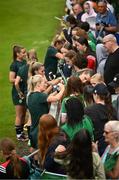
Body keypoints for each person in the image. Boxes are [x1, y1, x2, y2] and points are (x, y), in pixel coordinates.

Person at [27, 75, 65, 149]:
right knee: (44, 153)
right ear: (38, 84)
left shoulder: (31, 95)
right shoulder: (39, 96)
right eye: (44, 83)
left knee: (36, 152)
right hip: (41, 131)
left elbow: (47, 96)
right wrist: (63, 88)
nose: (46, 84)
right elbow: (56, 98)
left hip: (34, 130)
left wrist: (57, 91)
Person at [85, 83, 117, 156]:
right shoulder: (113, 109)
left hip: (97, 148)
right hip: (113, 146)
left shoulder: (88, 110)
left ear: (96, 95)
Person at [9, 45, 27, 141]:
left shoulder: (24, 62)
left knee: (24, 113)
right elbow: (11, 79)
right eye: (23, 53)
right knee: (19, 114)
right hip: (17, 92)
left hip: (24, 90)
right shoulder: (14, 64)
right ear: (17, 54)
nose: (25, 54)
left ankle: (22, 133)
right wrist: (20, 78)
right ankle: (19, 135)